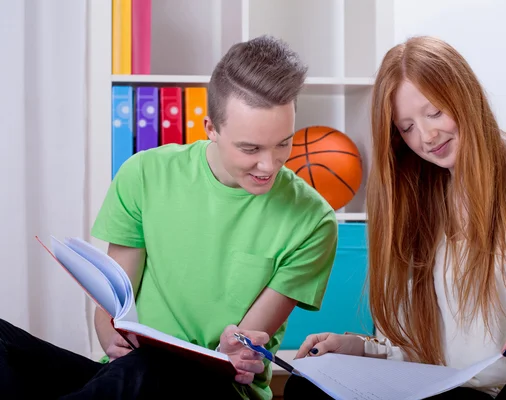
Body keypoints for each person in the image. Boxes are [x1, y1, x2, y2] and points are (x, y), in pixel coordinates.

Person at [0, 35, 338, 400]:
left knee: (151, 366)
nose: (268, 165)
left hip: (215, 388)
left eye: (283, 143)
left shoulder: (313, 221)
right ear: (211, 128)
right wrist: (110, 333)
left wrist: (238, 349)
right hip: (125, 377)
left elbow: (240, 345)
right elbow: (113, 305)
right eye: (250, 148)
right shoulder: (144, 174)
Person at [283, 35, 506, 399]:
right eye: (407, 127)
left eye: (434, 112)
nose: (427, 136)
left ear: (465, 97)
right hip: (452, 392)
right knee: (305, 386)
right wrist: (359, 347)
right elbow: (416, 348)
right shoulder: (416, 200)